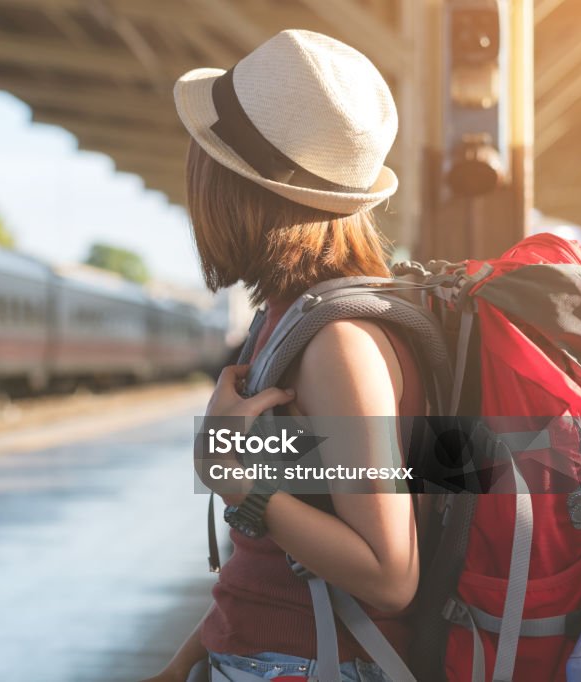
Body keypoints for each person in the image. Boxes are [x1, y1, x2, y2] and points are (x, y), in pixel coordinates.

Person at [142, 30, 425, 682]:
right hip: (257, 657)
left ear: (237, 187)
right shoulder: (286, 322)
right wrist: (185, 663)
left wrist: (232, 478)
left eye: (206, 154)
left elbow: (391, 573)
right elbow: (268, 558)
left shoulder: (339, 346)